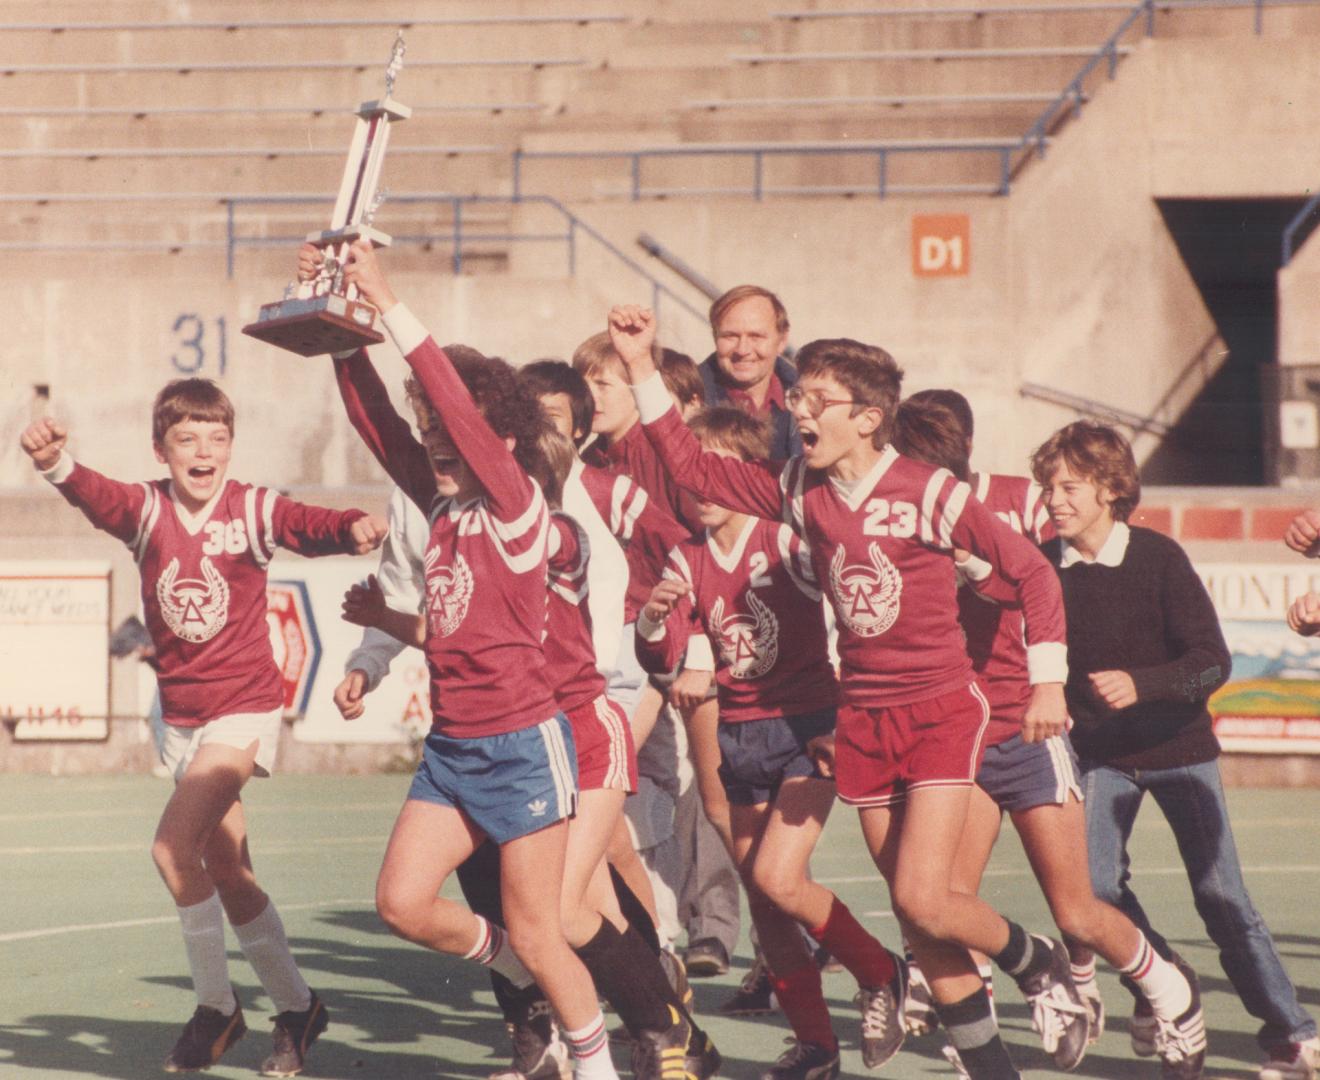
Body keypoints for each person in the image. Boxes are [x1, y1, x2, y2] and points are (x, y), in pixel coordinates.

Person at [606, 304, 1082, 1080]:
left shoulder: (930, 491)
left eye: (812, 402)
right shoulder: (800, 487)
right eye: (797, 401)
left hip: (938, 710)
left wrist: (1047, 682)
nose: (796, 412)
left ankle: (1035, 960)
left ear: (867, 418)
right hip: (863, 719)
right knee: (915, 914)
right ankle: (995, 1066)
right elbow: (692, 470)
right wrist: (637, 367)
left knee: (927, 898)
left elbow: (1030, 572)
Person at [312, 239, 620, 1080]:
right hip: (453, 749)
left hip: (524, 744)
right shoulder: (442, 510)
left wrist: (389, 301)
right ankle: (523, 974)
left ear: (499, 440)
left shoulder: (519, 508)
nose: (434, 446)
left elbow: (453, 403)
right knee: (402, 904)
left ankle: (595, 1066)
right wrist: (338, 326)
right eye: (430, 435)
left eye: (452, 435)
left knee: (540, 927)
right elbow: (378, 423)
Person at [20, 379, 388, 1076]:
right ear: (161, 448)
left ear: (231, 446)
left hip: (243, 708)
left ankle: (217, 1007)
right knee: (229, 870)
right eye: (187, 439)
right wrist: (55, 464)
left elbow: (304, 523)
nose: (203, 451)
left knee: (170, 850)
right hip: (181, 717)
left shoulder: (250, 507)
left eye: (217, 438)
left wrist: (349, 525)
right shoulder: (147, 509)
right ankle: (299, 1008)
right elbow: (95, 495)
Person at [895, 397, 1207, 1079]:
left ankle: (1170, 993)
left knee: (1078, 912)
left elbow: (1041, 577)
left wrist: (1048, 673)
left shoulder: (1017, 504)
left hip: (1029, 729)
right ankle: (1020, 1003)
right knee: (944, 899)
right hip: (960, 734)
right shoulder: (894, 521)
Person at [1032, 420, 1320, 1080]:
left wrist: (1145, 685)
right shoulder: (1044, 566)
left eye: (1068, 486)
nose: (1053, 499)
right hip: (1101, 756)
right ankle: (1165, 978)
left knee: (1222, 900)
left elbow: (1211, 664)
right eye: (1048, 486)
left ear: (1109, 489)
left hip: (1181, 749)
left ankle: (1289, 1033)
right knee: (1094, 891)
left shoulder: (1159, 558)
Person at [637, 405, 907, 1080]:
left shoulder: (786, 540)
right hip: (739, 735)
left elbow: (854, 603)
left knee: (777, 876)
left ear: (747, 474)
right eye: (688, 476)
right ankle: (817, 1046)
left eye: (711, 472)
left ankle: (881, 971)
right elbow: (669, 649)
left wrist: (850, 708)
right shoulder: (686, 553)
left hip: (808, 727)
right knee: (770, 904)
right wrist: (658, 628)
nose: (696, 487)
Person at [699, 285, 801, 458]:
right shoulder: (688, 399)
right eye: (730, 336)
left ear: (782, 340)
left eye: (756, 337)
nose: (743, 349)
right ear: (715, 337)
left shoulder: (811, 404)